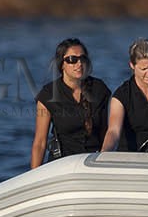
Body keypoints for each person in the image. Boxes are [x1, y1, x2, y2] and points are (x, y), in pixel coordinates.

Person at [30, 38, 111, 168]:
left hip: (93, 162)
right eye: (72, 60)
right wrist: (32, 178)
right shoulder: (48, 94)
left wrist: (104, 162)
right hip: (62, 165)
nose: (79, 64)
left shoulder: (99, 89)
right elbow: (40, 142)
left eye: (82, 59)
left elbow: (106, 132)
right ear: (62, 64)